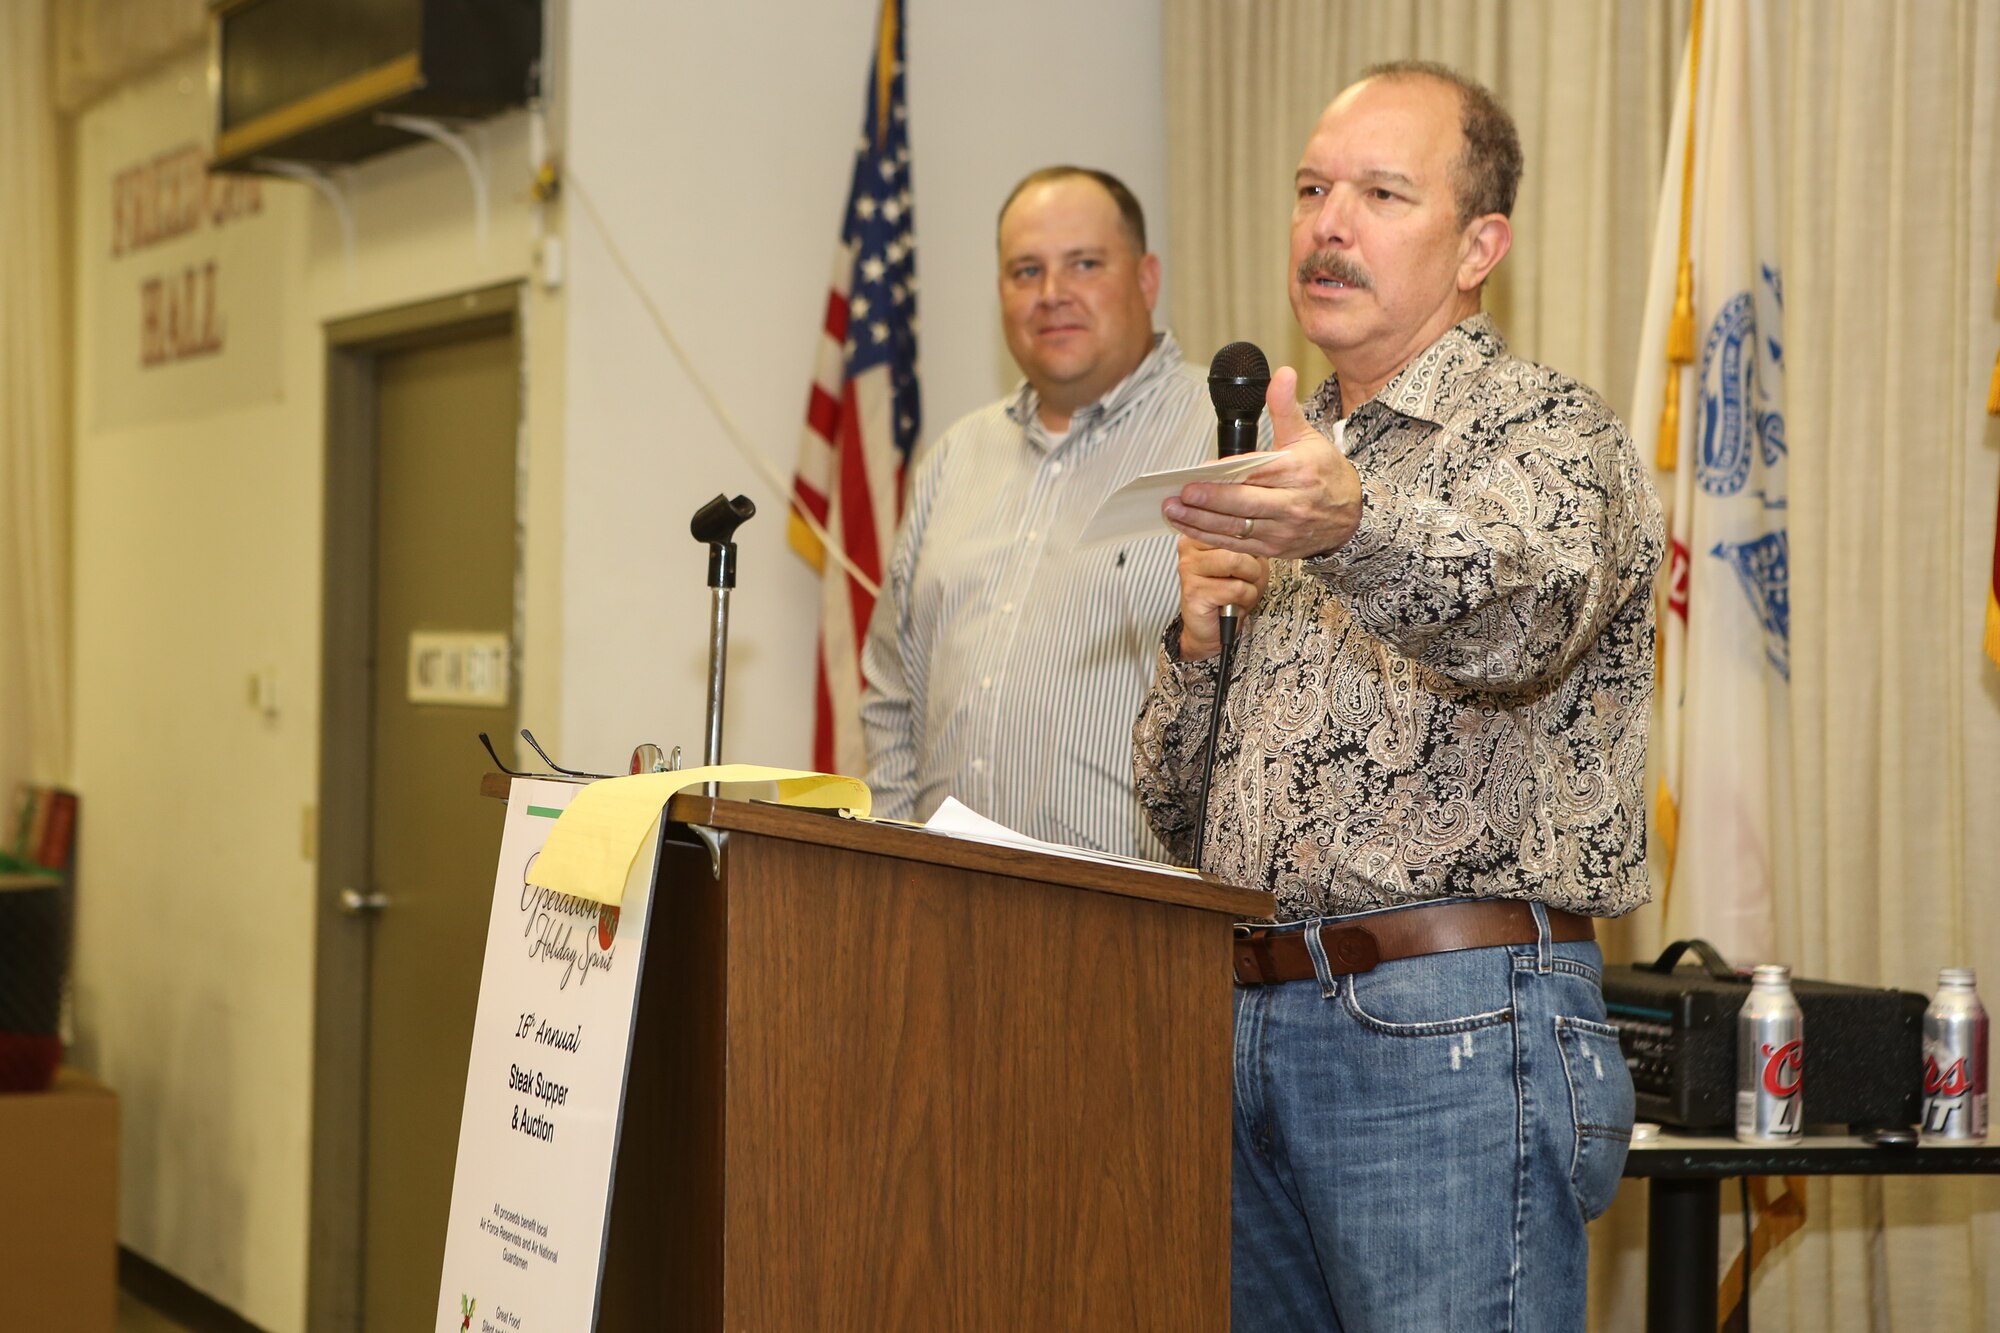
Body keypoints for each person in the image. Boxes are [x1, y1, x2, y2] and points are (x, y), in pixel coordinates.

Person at [1133, 63, 1664, 1331]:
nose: (1328, 223)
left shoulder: (1548, 434)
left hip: (1451, 1031)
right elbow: (1171, 807)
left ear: (1480, 243)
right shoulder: (1284, 456)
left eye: (1379, 192)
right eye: (1312, 189)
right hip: (1248, 1025)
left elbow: (1520, 619)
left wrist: (1351, 522)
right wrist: (1197, 644)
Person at [861, 167, 1216, 858]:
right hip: (941, 908)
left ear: (1146, 279)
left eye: (1083, 264)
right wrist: (894, 868)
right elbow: (890, 694)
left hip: (1137, 925)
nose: (1051, 295)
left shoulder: (1224, 435)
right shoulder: (954, 458)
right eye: (1026, 271)